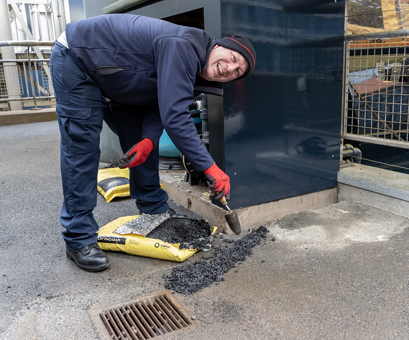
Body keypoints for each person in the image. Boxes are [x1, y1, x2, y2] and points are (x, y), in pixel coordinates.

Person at [49, 14, 256, 272]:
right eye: (233, 58)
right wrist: (210, 167)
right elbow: (175, 116)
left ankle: (153, 208)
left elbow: (161, 104)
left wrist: (148, 138)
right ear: (220, 46)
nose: (229, 68)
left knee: (142, 142)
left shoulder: (200, 74)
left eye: (237, 72)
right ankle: (79, 238)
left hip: (115, 75)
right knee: (82, 147)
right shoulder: (183, 45)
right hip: (78, 59)